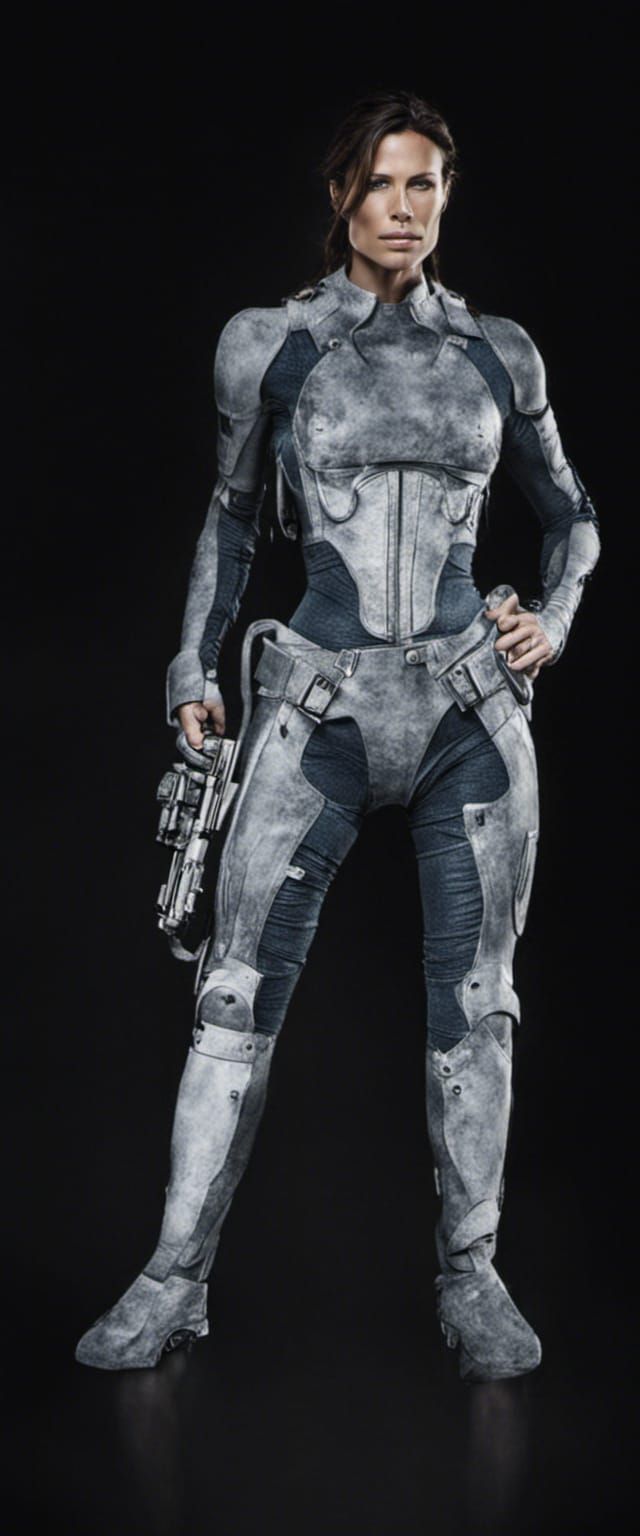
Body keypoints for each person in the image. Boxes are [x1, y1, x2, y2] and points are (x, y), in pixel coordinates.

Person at [75, 90, 600, 1382]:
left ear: (447, 196)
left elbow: (575, 517)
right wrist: (190, 662)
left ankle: (472, 1276)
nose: (403, 209)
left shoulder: (501, 353)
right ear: (340, 196)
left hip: (470, 708)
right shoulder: (272, 343)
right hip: (319, 704)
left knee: (480, 1001)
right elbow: (229, 514)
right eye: (380, 184)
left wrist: (554, 620)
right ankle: (174, 1278)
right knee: (232, 994)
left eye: (425, 184)